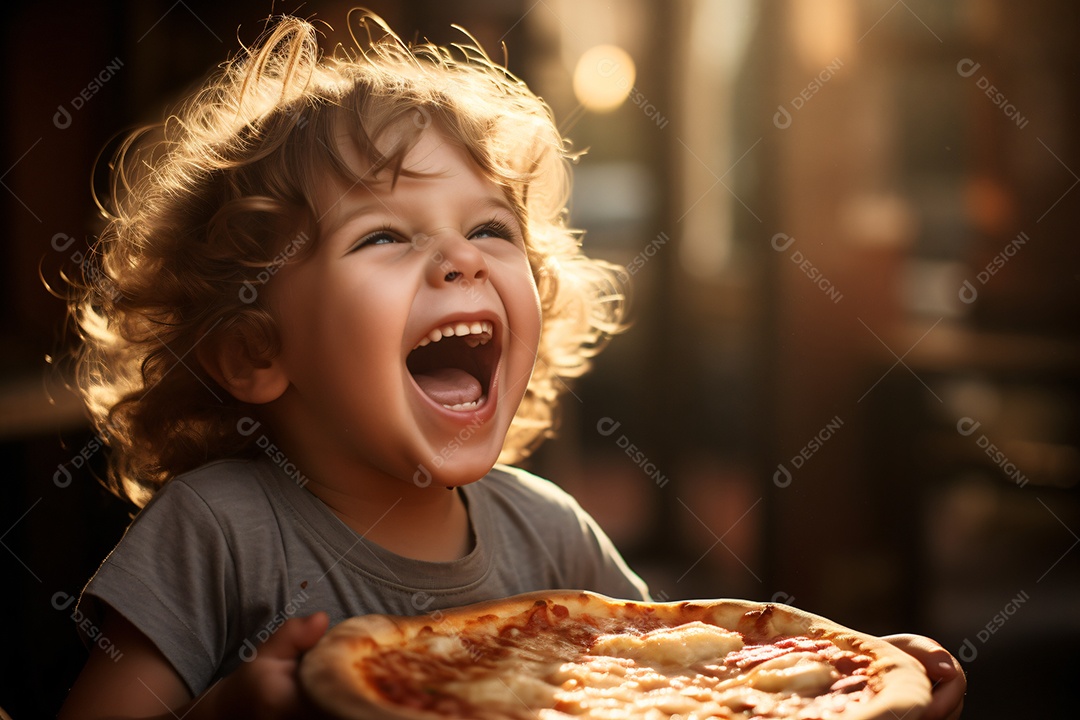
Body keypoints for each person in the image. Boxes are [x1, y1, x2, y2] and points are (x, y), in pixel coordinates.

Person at [58, 11, 964, 720]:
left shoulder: (552, 534)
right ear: (258, 350)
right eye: (383, 235)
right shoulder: (215, 532)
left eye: (491, 228)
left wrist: (827, 684)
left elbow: (685, 685)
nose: (463, 262)